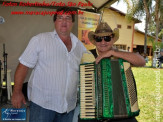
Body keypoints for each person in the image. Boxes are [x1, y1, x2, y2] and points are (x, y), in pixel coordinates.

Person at [11, 7, 86, 122]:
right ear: (55, 21)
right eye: (60, 18)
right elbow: (23, 66)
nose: (64, 21)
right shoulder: (39, 40)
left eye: (68, 18)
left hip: (68, 107)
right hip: (43, 106)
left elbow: (91, 64)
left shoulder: (79, 46)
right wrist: (17, 92)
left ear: (73, 22)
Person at [78, 22, 146, 122]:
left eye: (107, 38)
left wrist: (113, 52)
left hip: (122, 112)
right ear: (95, 41)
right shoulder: (88, 56)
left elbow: (142, 61)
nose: (103, 42)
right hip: (95, 110)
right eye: (99, 39)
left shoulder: (120, 54)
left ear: (113, 39)